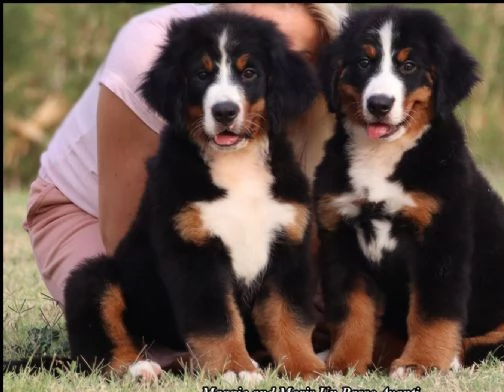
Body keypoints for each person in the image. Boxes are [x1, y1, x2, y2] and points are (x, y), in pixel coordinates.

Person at [22, 3, 348, 367]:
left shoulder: (310, 114)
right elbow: (134, 243)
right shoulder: (154, 46)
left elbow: (293, 267)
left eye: (298, 57)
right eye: (204, 76)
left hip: (242, 233)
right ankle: (147, 359)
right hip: (93, 213)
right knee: (110, 295)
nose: (226, 99)